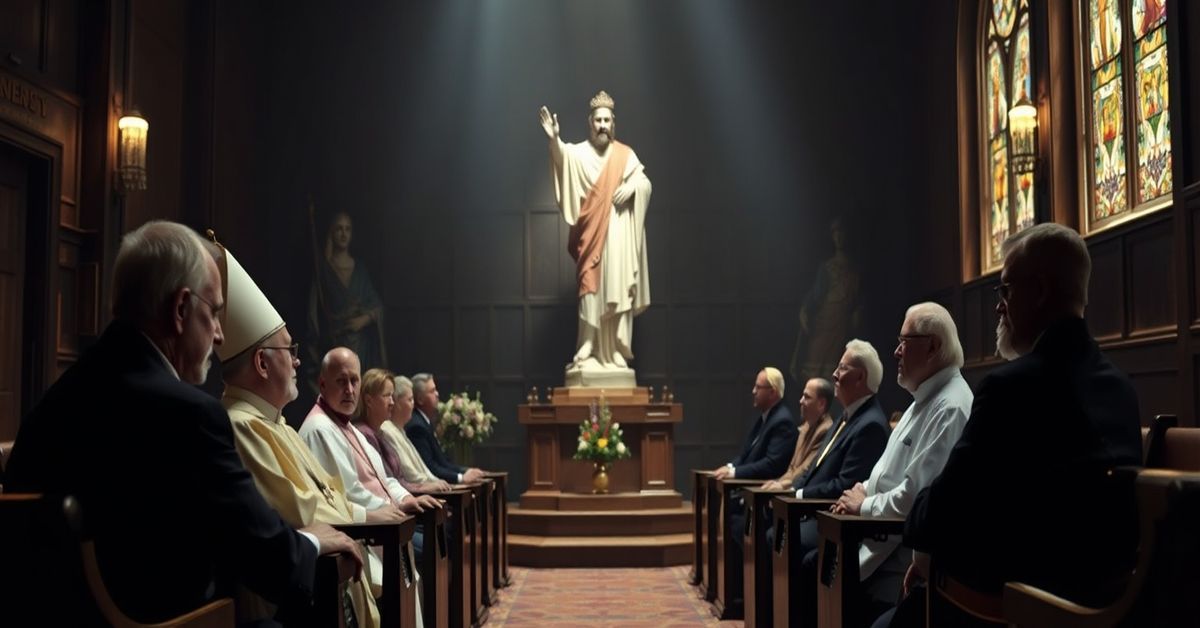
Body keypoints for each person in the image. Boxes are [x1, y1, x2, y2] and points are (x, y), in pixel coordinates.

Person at [3, 220, 361, 624]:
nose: (221, 336)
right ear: (180, 309)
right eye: (214, 314)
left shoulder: (55, 400)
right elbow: (267, 559)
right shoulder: (190, 414)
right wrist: (312, 542)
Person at [877, 224, 1142, 628]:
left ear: (1038, 291)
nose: (999, 306)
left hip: (1013, 607)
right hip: (1101, 601)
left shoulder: (1010, 388)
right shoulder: (1121, 389)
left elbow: (940, 514)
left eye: (1005, 290)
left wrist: (929, 554)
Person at [215, 244, 398, 626]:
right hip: (299, 594)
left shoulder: (278, 423)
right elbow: (301, 512)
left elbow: (328, 496)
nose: (298, 359)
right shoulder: (242, 425)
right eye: (290, 350)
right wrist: (360, 518)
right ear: (262, 363)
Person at [813, 302, 972, 628]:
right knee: (814, 565)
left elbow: (917, 498)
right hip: (875, 536)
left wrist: (865, 505)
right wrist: (861, 493)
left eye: (904, 341)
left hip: (899, 551)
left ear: (933, 346)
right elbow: (884, 475)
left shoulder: (951, 406)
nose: (896, 352)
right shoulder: (922, 400)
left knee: (817, 567)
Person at [539, 90, 652, 381]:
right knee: (590, 286)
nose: (603, 125)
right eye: (598, 120)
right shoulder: (579, 153)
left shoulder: (625, 155)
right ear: (590, 123)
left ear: (613, 123)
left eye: (607, 120)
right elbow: (563, 159)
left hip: (617, 235)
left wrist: (634, 188)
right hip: (591, 234)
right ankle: (588, 344)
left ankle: (613, 348)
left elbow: (644, 181)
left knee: (615, 286)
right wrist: (553, 140)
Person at [298, 348, 442, 556]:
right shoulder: (320, 429)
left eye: (354, 381)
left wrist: (405, 498)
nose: (349, 389)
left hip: (385, 523)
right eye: (341, 381)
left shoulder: (346, 426)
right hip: (366, 533)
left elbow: (383, 478)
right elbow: (349, 494)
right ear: (322, 384)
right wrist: (393, 508)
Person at [306, 211, 385, 393]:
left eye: (347, 229)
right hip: (334, 342)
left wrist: (362, 321)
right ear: (331, 233)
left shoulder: (360, 269)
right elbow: (313, 311)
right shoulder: (323, 270)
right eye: (339, 229)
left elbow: (378, 307)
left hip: (361, 346)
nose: (343, 234)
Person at [355, 369, 450, 493]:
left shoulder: (380, 432)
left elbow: (397, 480)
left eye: (392, 396)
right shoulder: (366, 433)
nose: (392, 403)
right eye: (386, 396)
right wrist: (419, 490)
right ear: (368, 401)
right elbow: (385, 484)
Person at [710, 367, 799, 482]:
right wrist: (730, 467)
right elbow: (746, 454)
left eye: (758, 387)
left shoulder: (783, 422)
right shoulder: (766, 417)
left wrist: (734, 472)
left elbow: (771, 465)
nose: (754, 391)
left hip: (761, 490)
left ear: (772, 392)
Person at [405, 373, 486, 484]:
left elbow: (443, 463)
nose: (437, 394)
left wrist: (465, 471)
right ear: (420, 399)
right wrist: (461, 478)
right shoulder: (417, 427)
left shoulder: (424, 421)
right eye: (432, 391)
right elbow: (430, 468)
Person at [380, 375, 454, 492]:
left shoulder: (399, 430)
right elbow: (409, 473)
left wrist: (436, 481)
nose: (413, 405)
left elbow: (422, 469)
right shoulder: (387, 430)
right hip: (415, 492)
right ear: (397, 402)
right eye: (410, 400)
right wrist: (433, 483)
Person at [762, 377, 835, 490]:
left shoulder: (825, 430)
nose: (801, 401)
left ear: (821, 403)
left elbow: (806, 469)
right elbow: (792, 468)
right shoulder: (805, 426)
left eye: (807, 397)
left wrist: (781, 485)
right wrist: (776, 482)